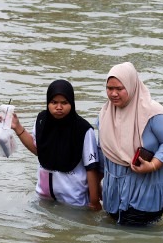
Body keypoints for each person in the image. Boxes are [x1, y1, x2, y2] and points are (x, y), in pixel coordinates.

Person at [98, 63, 163, 226]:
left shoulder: (152, 112)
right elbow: (102, 150)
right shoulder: (105, 114)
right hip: (113, 193)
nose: (113, 94)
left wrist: (152, 165)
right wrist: (96, 186)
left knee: (139, 241)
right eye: (109, 88)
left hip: (145, 190)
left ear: (131, 85)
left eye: (119, 88)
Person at [10, 79, 102, 211]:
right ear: (48, 102)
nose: (59, 107)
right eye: (54, 102)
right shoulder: (42, 120)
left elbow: (91, 168)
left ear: (72, 103)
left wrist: (94, 202)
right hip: (43, 195)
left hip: (73, 201)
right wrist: (17, 127)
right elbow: (38, 150)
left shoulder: (84, 130)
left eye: (64, 103)